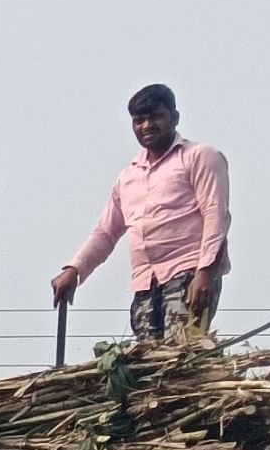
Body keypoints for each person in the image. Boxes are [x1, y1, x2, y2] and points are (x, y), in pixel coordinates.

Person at [53, 85, 229, 343]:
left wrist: (205, 273)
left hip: (188, 272)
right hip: (146, 282)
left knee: (180, 355)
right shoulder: (129, 176)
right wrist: (74, 269)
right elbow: (106, 232)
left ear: (174, 118)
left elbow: (216, 215)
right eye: (139, 120)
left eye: (155, 117)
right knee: (150, 363)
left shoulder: (199, 157)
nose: (147, 126)